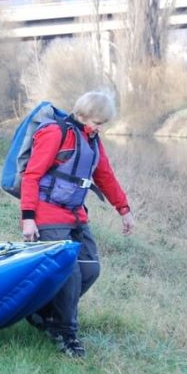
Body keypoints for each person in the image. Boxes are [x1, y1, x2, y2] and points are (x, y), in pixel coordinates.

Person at [20, 90, 134, 357]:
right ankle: (66, 334)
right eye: (97, 121)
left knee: (90, 269)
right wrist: (28, 219)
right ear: (82, 115)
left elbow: (105, 175)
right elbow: (31, 175)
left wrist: (124, 209)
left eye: (103, 123)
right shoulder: (56, 134)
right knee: (69, 273)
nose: (100, 127)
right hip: (47, 214)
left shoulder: (92, 140)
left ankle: (44, 313)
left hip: (75, 215)